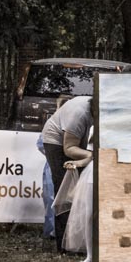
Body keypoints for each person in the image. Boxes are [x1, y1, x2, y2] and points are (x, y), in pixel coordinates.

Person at [41, 96, 93, 253]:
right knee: (64, 189)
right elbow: (69, 148)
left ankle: (82, 241)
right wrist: (92, 155)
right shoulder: (79, 114)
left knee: (83, 191)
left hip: (79, 142)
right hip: (56, 141)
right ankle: (64, 245)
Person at [61, 127, 94, 262]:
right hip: (94, 172)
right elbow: (92, 156)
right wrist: (77, 163)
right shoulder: (95, 128)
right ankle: (90, 256)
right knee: (90, 214)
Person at [36, 133, 55, 242]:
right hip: (54, 165)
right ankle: (52, 231)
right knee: (51, 199)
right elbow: (41, 144)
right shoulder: (52, 125)